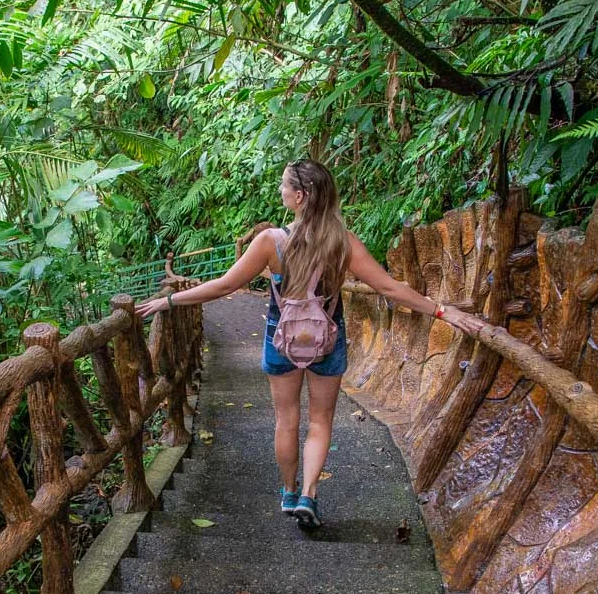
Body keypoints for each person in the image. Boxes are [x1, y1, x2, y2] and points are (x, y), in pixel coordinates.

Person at [135, 159, 485, 528]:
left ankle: (288, 492)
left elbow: (225, 285)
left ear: (299, 197)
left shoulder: (271, 241)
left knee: (286, 420)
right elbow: (388, 287)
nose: (281, 192)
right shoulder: (342, 242)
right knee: (320, 422)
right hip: (327, 338)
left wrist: (169, 300)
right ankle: (309, 495)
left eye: (285, 187)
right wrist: (444, 312)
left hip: (280, 336)